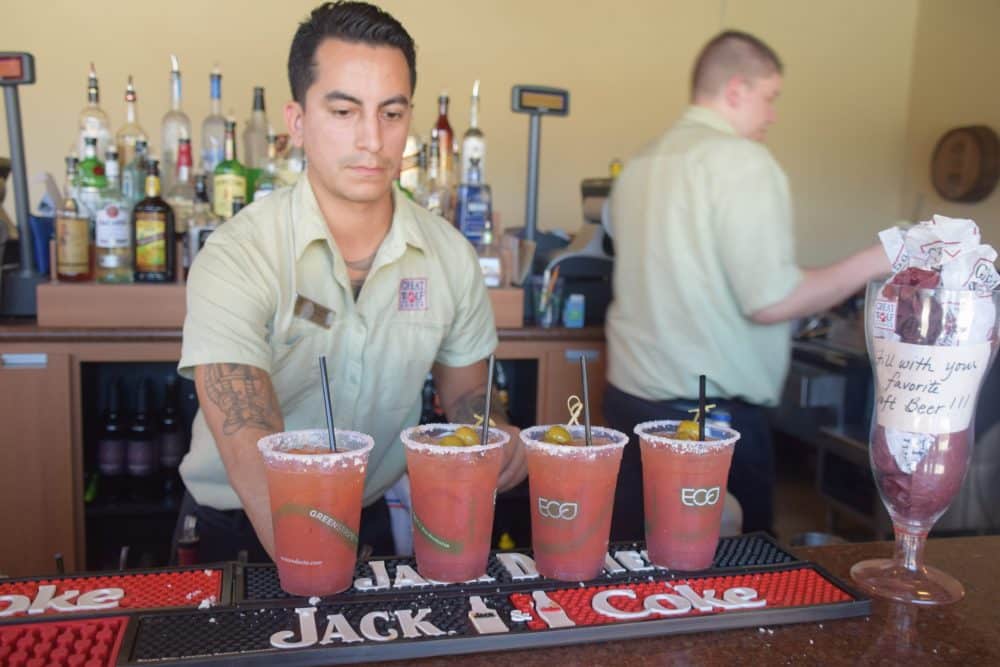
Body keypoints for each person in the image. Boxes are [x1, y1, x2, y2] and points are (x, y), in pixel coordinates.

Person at [171, 1, 525, 562]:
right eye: (343, 111)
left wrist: (493, 433)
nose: (371, 139)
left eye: (391, 113)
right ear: (297, 122)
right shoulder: (240, 254)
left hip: (374, 523)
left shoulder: (449, 256)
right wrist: (316, 566)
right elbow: (251, 446)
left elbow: (465, 394)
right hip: (241, 527)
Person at [604, 30, 890, 537]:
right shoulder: (742, 161)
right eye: (770, 97)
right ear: (736, 90)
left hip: (629, 402)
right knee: (738, 578)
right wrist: (883, 255)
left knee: (633, 561)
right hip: (705, 420)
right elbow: (770, 300)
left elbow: (702, 275)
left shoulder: (642, 164)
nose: (773, 114)